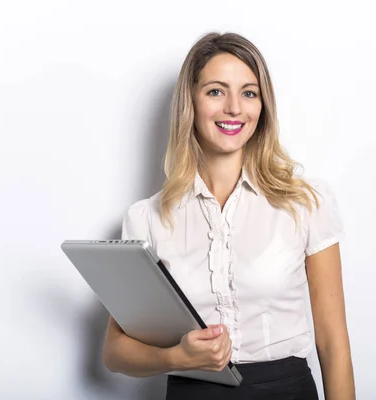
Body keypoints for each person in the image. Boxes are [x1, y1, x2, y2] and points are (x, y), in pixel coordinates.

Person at [102, 32, 355, 400]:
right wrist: (178, 356)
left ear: (263, 105)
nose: (235, 108)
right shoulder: (147, 218)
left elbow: (333, 345)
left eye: (249, 93)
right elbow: (115, 351)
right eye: (216, 91)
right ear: (191, 101)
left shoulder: (305, 202)